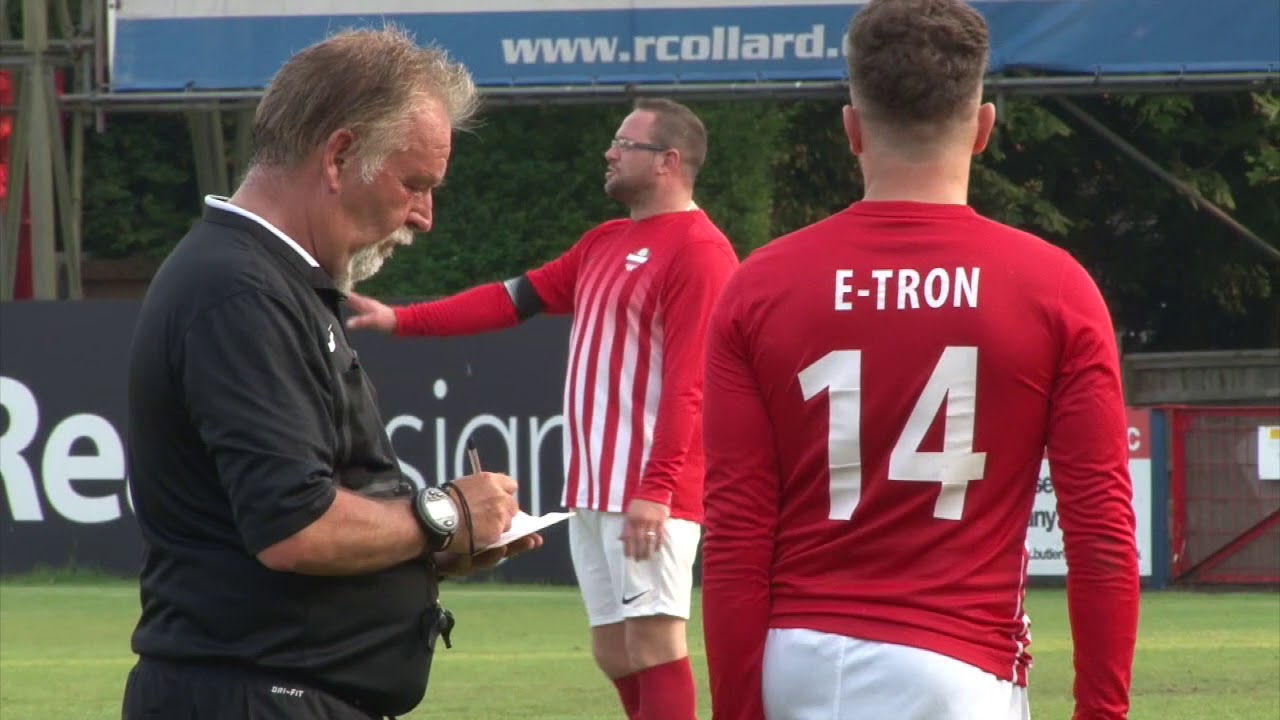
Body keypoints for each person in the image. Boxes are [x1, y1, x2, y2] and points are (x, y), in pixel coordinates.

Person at [699, 1, 1140, 719]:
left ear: (851, 129)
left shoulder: (760, 287)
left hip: (795, 660)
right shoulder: (1055, 288)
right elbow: (1100, 536)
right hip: (958, 669)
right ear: (984, 128)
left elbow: (739, 534)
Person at [121, 27, 542, 720]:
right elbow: (295, 528)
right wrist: (447, 514)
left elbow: (287, 517)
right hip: (256, 696)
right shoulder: (241, 291)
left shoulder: (263, 281)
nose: (425, 216)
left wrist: (431, 551)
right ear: (340, 155)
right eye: (415, 183)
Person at [346, 98, 738, 720]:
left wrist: (657, 489)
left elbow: (693, 385)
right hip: (595, 489)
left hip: (649, 489)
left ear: (668, 161)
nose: (609, 153)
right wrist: (401, 320)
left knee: (655, 643)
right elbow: (511, 300)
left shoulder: (701, 251)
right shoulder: (605, 242)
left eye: (625, 144)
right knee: (613, 649)